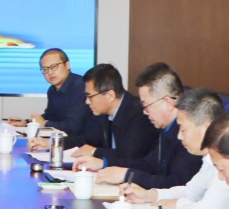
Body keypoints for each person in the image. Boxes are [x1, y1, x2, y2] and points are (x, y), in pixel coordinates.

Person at [120, 87, 229, 209]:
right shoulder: (209, 158)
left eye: (183, 129)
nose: (179, 136)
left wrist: (177, 205)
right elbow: (190, 192)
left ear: (207, 129)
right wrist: (150, 195)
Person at [72, 62, 201, 189]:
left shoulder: (189, 133)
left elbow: (176, 184)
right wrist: (104, 163)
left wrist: (127, 175)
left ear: (167, 103)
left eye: (146, 105)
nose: (144, 112)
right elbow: (149, 165)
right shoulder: (167, 128)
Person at [30, 63, 158, 162]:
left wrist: (94, 152)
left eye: (90, 96)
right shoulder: (104, 114)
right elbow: (87, 140)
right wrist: (53, 143)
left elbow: (130, 156)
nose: (87, 102)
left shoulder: (139, 113)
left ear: (110, 95)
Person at [6, 48, 91, 136]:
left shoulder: (81, 86)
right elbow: (51, 116)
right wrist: (26, 123)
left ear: (67, 65)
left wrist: (45, 124)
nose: (50, 72)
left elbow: (73, 126)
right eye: (45, 69)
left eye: (54, 67)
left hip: (84, 142)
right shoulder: (52, 90)